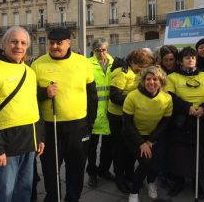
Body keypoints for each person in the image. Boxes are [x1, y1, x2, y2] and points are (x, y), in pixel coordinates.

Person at [0, 26, 45, 202]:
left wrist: (40, 137)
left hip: (29, 141)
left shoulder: (29, 71)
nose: (18, 46)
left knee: (25, 190)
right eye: (13, 41)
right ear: (3, 44)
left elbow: (34, 106)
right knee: (5, 193)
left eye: (22, 42)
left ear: (27, 46)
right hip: (5, 144)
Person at [31, 27, 98, 202]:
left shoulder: (83, 62)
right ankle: (53, 197)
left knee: (76, 168)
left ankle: (72, 198)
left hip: (78, 126)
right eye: (52, 43)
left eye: (59, 43)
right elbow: (30, 97)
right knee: (50, 169)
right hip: (50, 127)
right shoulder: (38, 65)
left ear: (68, 43)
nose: (55, 46)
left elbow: (92, 95)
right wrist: (45, 93)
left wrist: (90, 123)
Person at [165, 47, 204, 200]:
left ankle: (197, 183)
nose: (190, 59)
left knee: (199, 154)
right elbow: (170, 98)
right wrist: (186, 108)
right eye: (187, 57)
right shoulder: (172, 77)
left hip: (201, 120)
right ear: (180, 61)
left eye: (193, 57)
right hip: (181, 122)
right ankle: (179, 182)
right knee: (179, 154)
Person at [107, 48, 155, 193]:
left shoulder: (137, 72)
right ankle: (120, 178)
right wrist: (134, 100)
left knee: (130, 149)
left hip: (130, 115)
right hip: (117, 116)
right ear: (132, 61)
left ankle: (129, 174)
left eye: (144, 68)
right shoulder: (122, 73)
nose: (141, 70)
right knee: (120, 149)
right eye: (139, 67)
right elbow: (115, 97)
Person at [122, 65, 173, 202]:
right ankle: (134, 192)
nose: (152, 82)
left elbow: (165, 122)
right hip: (133, 135)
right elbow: (127, 122)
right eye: (148, 79)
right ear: (143, 81)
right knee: (146, 162)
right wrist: (141, 143)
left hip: (154, 135)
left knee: (157, 162)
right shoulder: (132, 97)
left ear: (161, 81)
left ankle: (151, 182)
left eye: (155, 79)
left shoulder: (167, 98)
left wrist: (150, 141)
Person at [86, 38, 115, 188]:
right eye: (98, 50)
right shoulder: (87, 64)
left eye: (103, 50)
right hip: (93, 113)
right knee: (92, 147)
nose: (101, 53)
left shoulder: (114, 63)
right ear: (93, 51)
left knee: (108, 147)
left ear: (107, 50)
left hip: (109, 112)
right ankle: (92, 173)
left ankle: (104, 170)